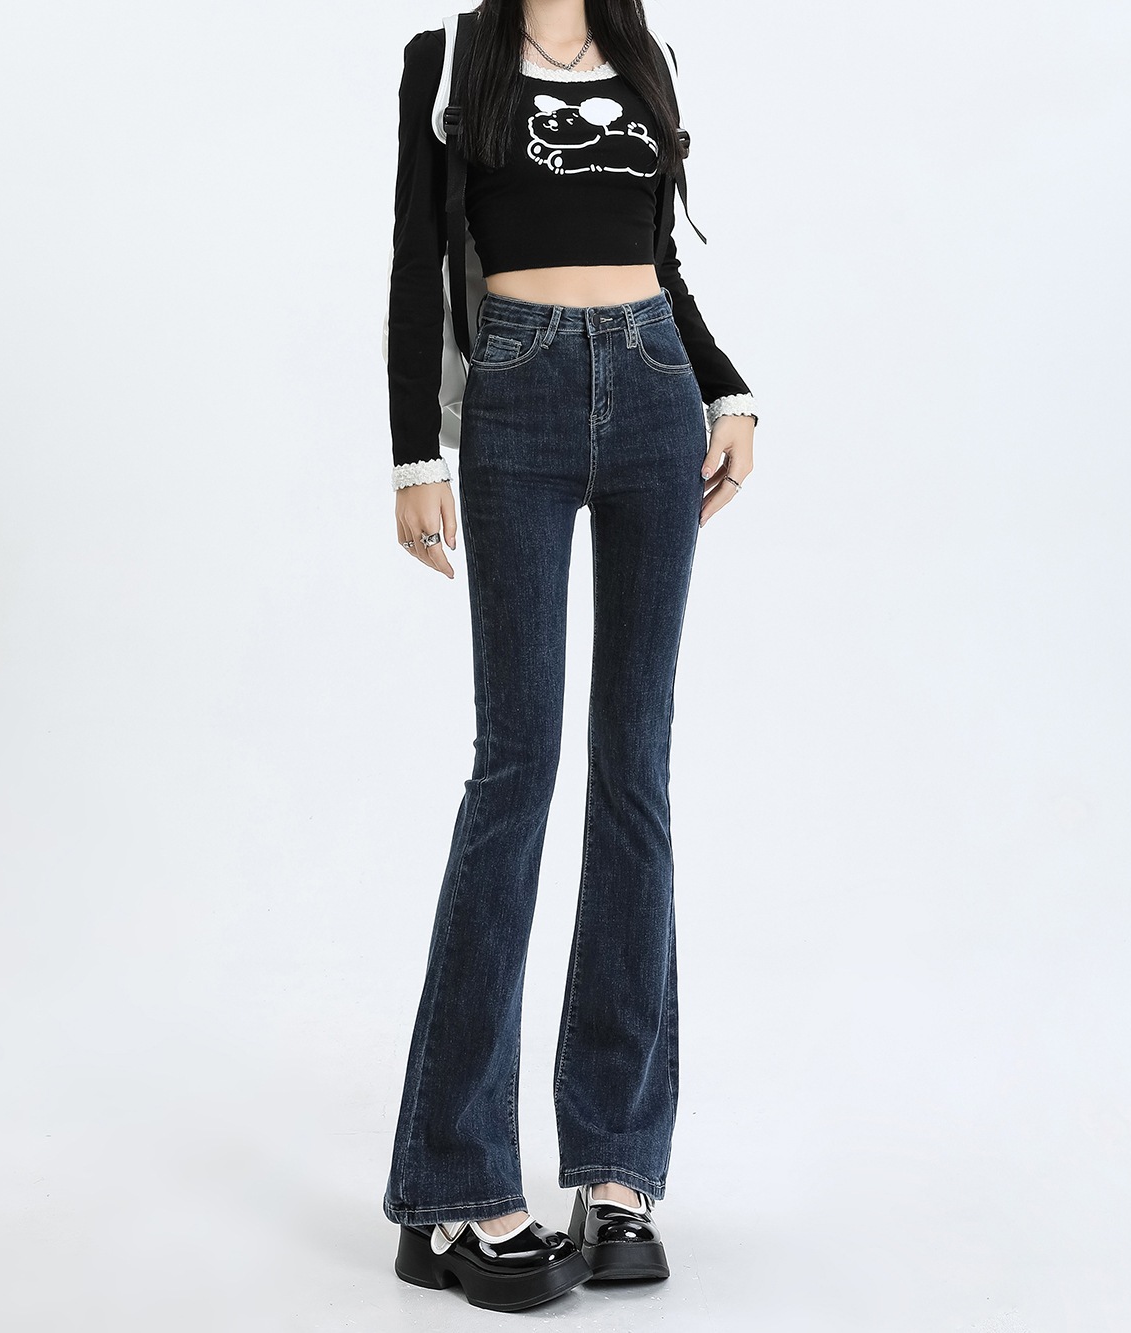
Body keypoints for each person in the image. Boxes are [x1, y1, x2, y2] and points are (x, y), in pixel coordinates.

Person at [381, 0, 758, 1312]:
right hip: (517, 402)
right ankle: (453, 1183)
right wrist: (412, 453)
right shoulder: (449, 60)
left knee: (633, 773)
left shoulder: (646, 60)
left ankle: (615, 1172)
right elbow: (417, 258)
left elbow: (655, 257)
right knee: (516, 769)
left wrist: (727, 387)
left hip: (654, 392)